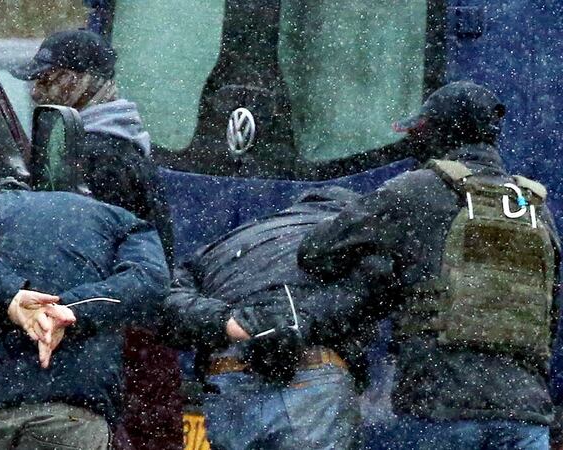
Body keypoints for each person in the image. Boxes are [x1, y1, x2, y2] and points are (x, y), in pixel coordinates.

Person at [298, 81, 561, 449]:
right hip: (525, 416)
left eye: (419, 132)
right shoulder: (534, 208)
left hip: (440, 412)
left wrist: (387, 272)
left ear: (436, 133)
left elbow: (316, 252)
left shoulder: (413, 190)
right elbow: (550, 314)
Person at [0, 188, 170, 450]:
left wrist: (9, 292)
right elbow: (150, 280)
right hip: (70, 413)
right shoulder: (120, 221)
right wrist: (71, 310)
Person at [162, 186, 380, 450]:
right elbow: (364, 296)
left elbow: (167, 302)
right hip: (311, 380)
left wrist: (227, 323)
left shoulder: (233, 239)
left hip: (228, 381)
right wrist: (290, 324)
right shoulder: (355, 236)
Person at [11, 29, 174, 263]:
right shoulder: (110, 142)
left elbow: (92, 248)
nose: (36, 93)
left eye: (48, 79)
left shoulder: (102, 155)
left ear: (84, 81)